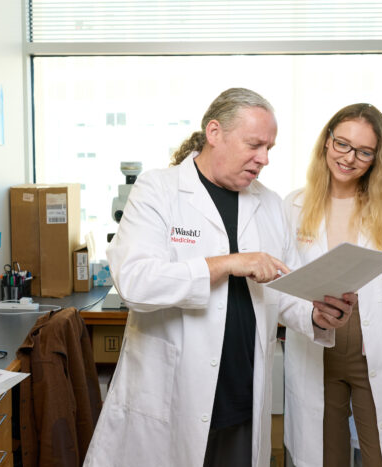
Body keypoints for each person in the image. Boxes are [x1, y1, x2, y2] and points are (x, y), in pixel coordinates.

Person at [84, 88, 356, 467]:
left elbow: (283, 289)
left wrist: (317, 315)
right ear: (215, 132)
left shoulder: (270, 204)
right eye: (254, 145)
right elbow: (135, 282)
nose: (263, 159)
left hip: (242, 396)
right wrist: (227, 264)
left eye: (269, 148)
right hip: (173, 396)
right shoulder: (158, 190)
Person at [283, 104, 382, 467]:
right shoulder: (293, 205)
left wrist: (381, 322)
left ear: (377, 158)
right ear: (326, 142)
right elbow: (281, 282)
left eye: (364, 151)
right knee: (324, 455)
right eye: (343, 144)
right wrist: (311, 315)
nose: (349, 158)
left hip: (376, 348)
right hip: (317, 345)